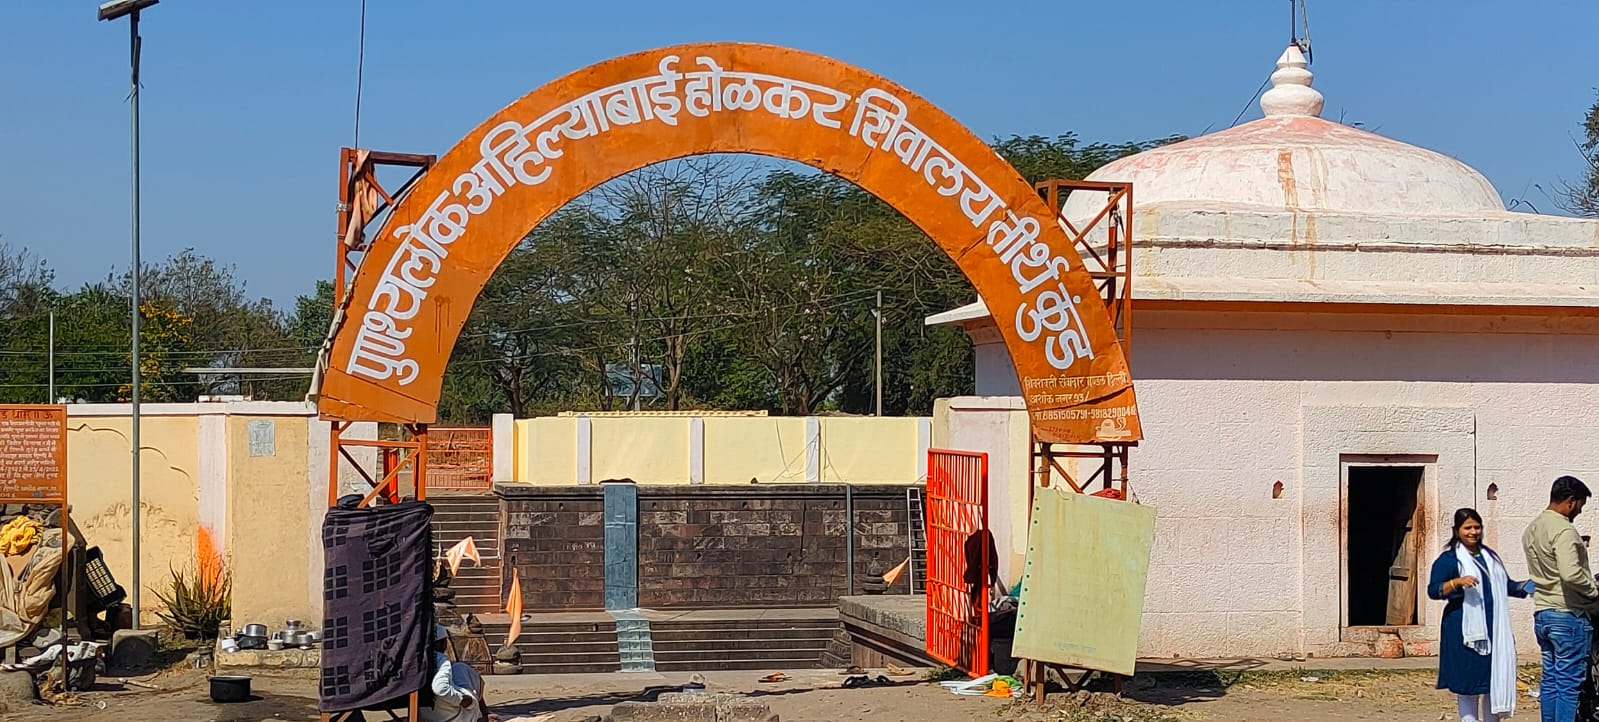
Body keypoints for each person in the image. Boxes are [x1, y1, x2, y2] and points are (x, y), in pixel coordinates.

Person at [1430, 508, 1533, 722]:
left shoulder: (1491, 558)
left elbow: (1506, 585)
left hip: (1494, 627)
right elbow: (1434, 590)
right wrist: (1456, 582)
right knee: (1468, 681)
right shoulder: (1449, 560)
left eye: (1477, 527)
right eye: (1468, 527)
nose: (1473, 532)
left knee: (1491, 679)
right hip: (1463, 631)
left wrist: (1531, 585)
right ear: (1457, 530)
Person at [1523, 475, 1599, 722]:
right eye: (1579, 505)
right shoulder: (1564, 530)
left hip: (1544, 613)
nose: (1578, 511)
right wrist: (1594, 591)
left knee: (1551, 681)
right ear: (1570, 501)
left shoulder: (1533, 528)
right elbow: (1571, 574)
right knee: (1568, 685)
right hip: (1568, 615)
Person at [422, 625, 490, 722]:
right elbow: (440, 688)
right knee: (461, 668)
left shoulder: (416, 662)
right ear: (444, 643)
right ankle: (483, 715)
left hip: (426, 715)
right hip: (451, 716)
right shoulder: (440, 659)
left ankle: (484, 714)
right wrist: (461, 699)